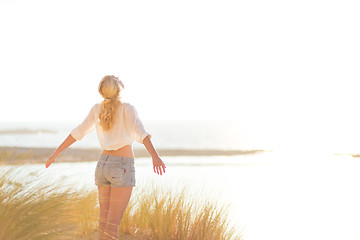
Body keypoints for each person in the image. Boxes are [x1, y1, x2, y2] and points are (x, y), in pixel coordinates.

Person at [45, 75, 166, 240]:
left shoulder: (97, 109)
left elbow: (77, 132)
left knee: (104, 221)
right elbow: (142, 133)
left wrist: (56, 153)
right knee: (113, 224)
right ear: (118, 87)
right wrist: (155, 156)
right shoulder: (127, 108)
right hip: (122, 167)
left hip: (102, 166)